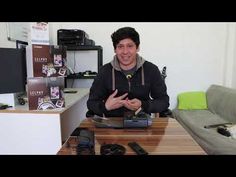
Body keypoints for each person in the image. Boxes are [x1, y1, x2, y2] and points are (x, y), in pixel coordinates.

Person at [87, 27, 169, 117]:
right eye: (120, 46)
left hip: (141, 124)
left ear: (137, 48)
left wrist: (143, 104)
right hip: (111, 125)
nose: (125, 52)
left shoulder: (151, 70)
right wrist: (105, 106)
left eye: (130, 46)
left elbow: (163, 101)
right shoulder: (104, 71)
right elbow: (91, 103)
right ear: (115, 49)